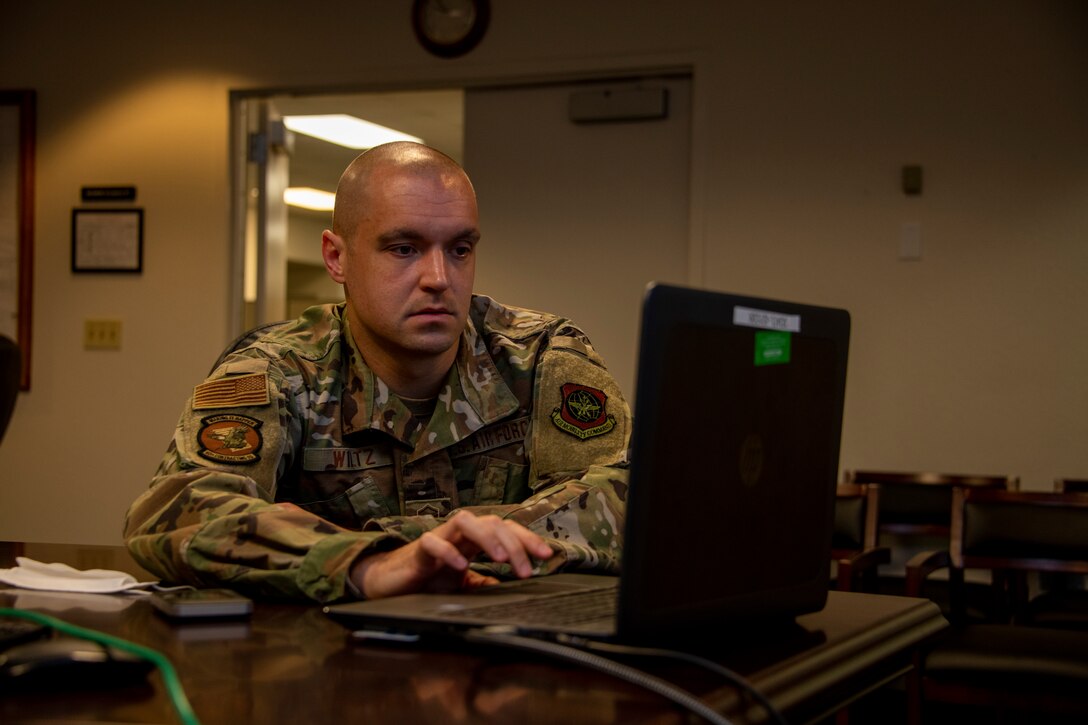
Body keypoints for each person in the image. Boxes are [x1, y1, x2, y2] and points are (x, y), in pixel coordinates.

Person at [124, 142, 631, 602]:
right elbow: (179, 509)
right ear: (336, 257)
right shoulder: (279, 370)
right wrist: (368, 563)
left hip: (512, 648)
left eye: (460, 249)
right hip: (328, 664)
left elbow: (625, 498)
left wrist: (438, 543)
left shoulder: (539, 356)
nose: (438, 278)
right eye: (403, 249)